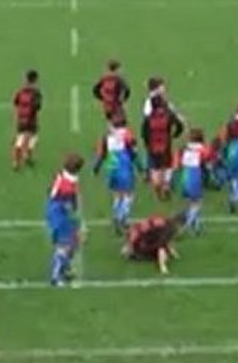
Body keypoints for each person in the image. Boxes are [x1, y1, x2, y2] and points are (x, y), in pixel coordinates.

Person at [93, 114, 141, 233]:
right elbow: (134, 154)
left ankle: (115, 216)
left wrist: (96, 167)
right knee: (128, 195)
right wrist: (141, 168)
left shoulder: (107, 137)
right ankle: (122, 219)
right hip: (124, 167)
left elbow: (101, 154)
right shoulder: (128, 137)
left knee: (117, 194)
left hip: (111, 167)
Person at [44, 153, 85, 286]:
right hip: (60, 215)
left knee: (73, 242)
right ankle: (56, 276)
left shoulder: (61, 175)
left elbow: (50, 190)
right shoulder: (68, 185)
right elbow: (70, 205)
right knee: (65, 244)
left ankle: (64, 268)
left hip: (54, 210)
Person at [142, 94, 184, 200]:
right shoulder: (168, 115)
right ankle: (166, 185)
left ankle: (157, 187)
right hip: (166, 145)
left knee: (155, 168)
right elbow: (180, 125)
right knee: (167, 166)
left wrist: (148, 144)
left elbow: (144, 133)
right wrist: (175, 134)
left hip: (153, 146)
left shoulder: (148, 118)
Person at [178, 128, 211, 234]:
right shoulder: (202, 149)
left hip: (184, 175)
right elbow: (207, 158)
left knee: (190, 202)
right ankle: (187, 225)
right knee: (197, 202)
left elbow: (178, 161)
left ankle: (196, 227)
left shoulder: (184, 148)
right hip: (194, 175)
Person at [12, 69, 43, 170]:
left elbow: (15, 102)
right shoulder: (36, 92)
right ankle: (28, 156)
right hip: (31, 119)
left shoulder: (20, 90)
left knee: (20, 138)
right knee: (32, 137)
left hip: (21, 118)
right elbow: (38, 106)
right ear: (35, 80)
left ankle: (16, 162)